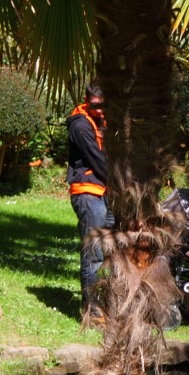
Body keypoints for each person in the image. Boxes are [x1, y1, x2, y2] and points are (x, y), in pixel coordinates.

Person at [66, 82, 114, 311]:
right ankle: (91, 310)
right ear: (87, 100)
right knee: (93, 254)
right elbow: (98, 160)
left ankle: (111, 304)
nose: (99, 110)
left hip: (106, 193)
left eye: (102, 106)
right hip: (89, 194)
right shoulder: (80, 126)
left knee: (114, 251)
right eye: (94, 106)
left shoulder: (104, 119)